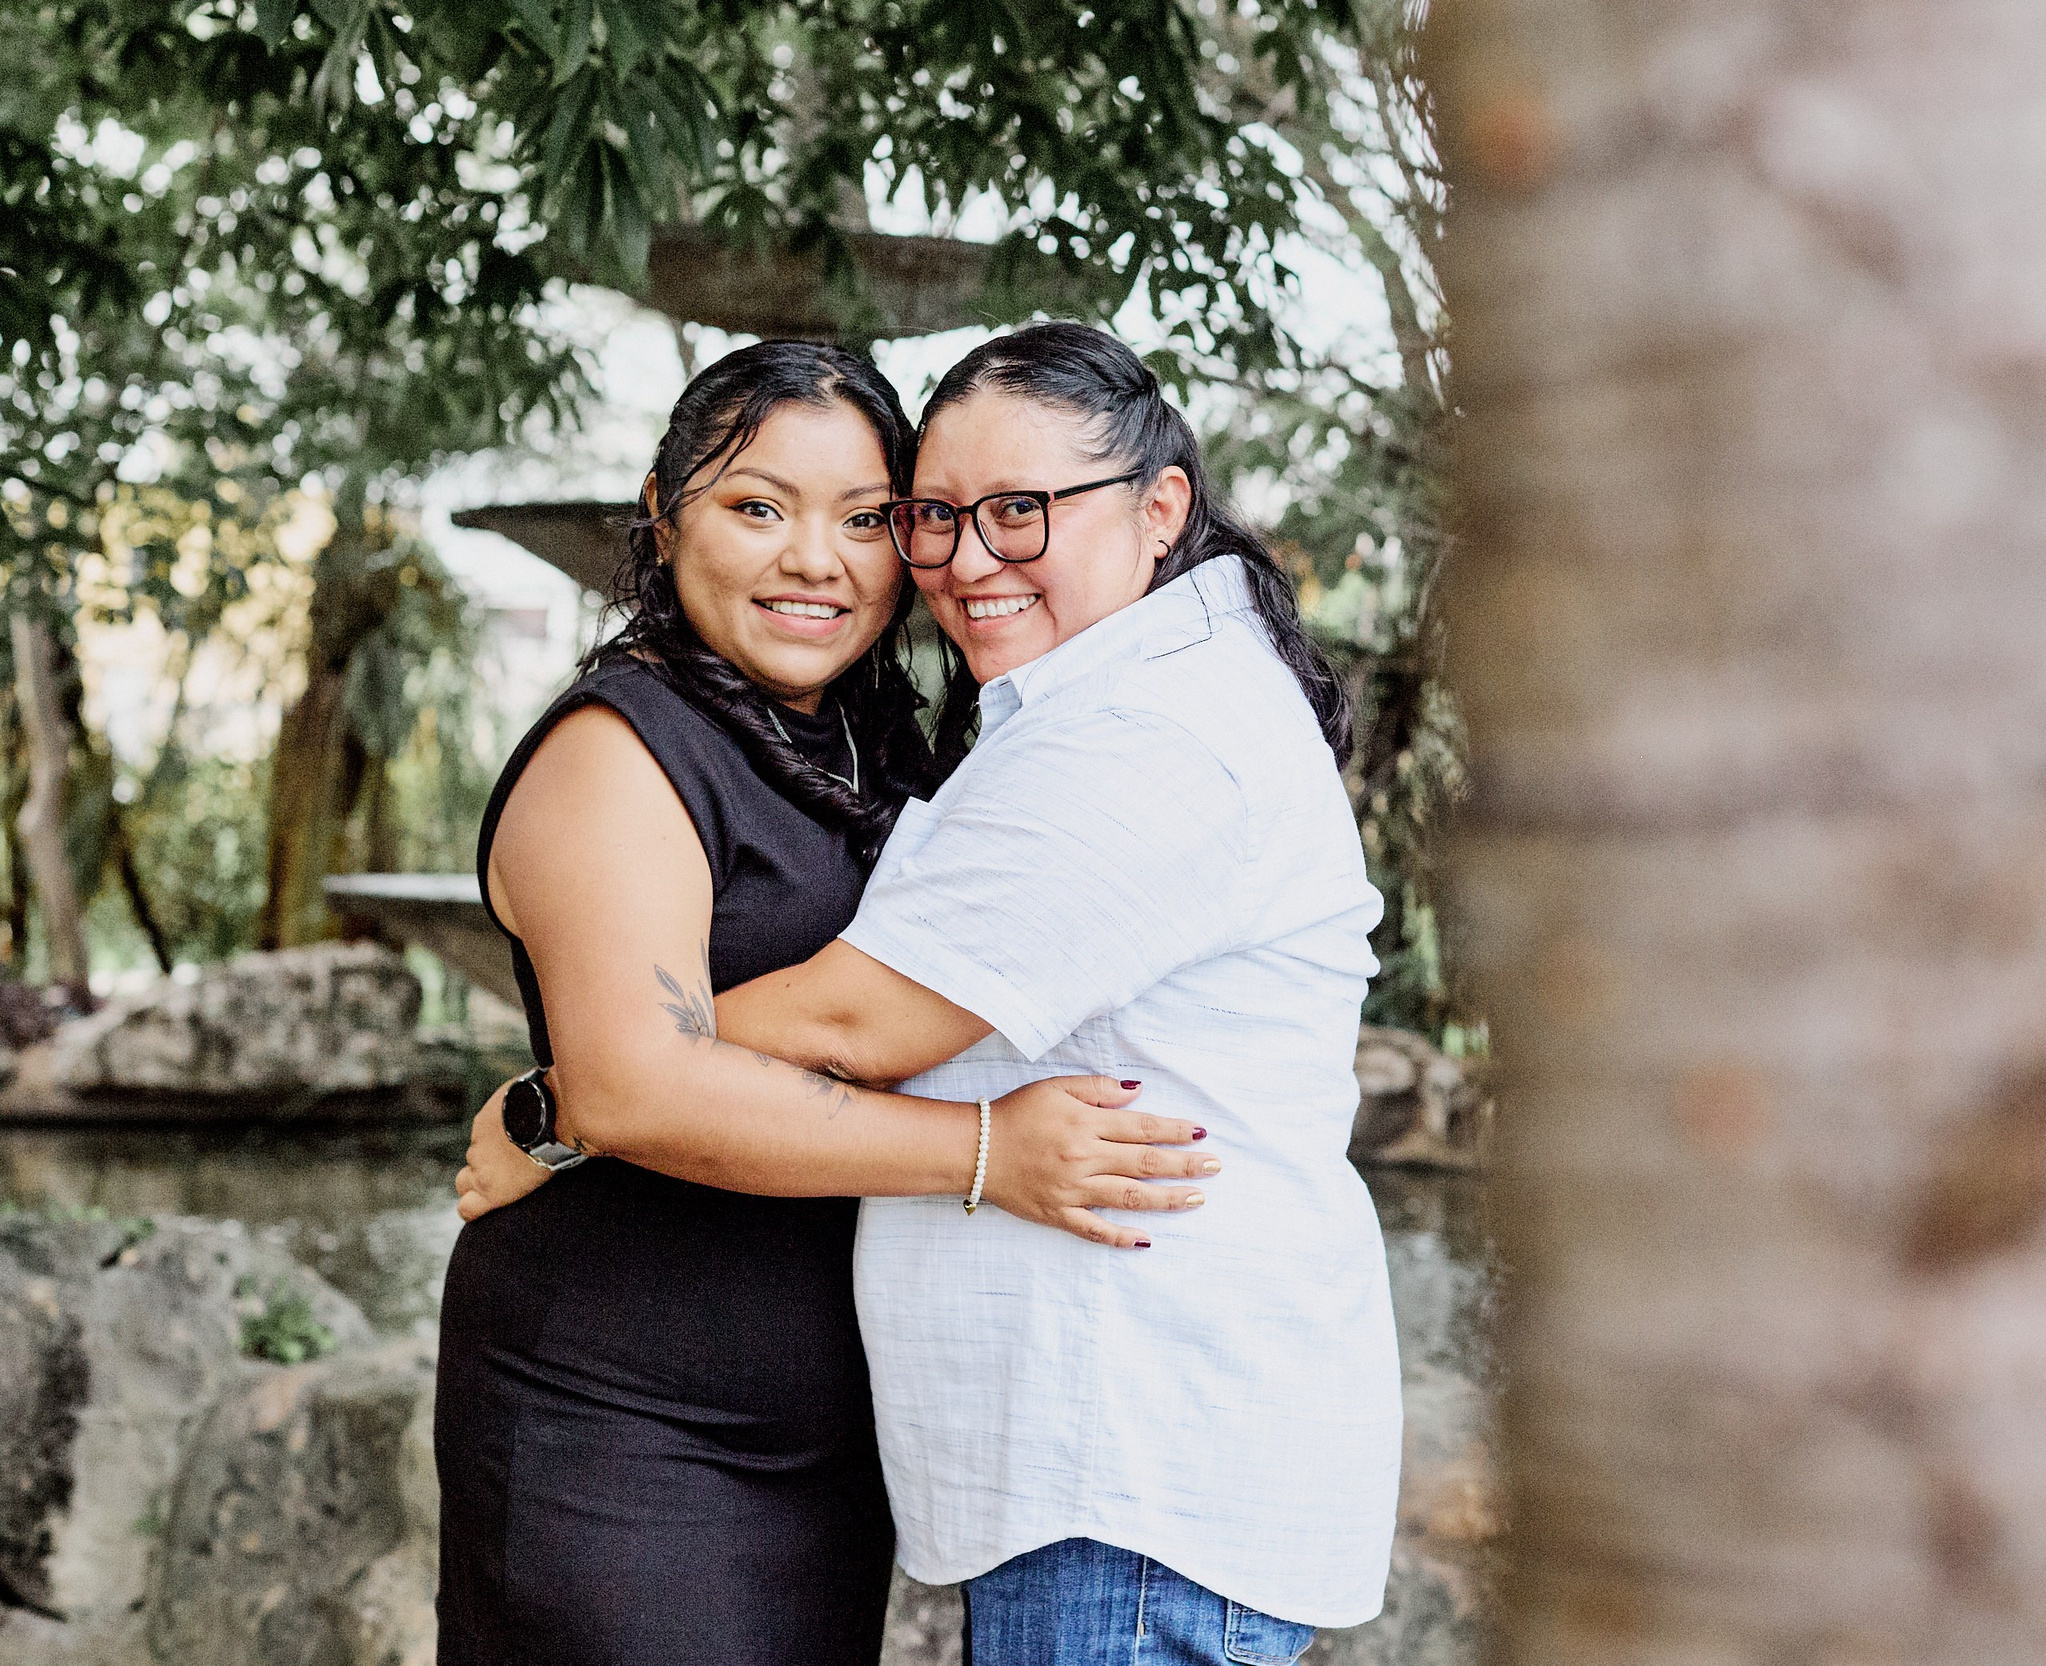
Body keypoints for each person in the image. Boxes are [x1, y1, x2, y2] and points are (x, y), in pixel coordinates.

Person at [460, 321, 1402, 1664]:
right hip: (633, 1415)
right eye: (936, 517)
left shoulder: (1075, 732)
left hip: (1016, 1465)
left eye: (866, 516)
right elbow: (739, 1053)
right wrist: (974, 1150)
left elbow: (843, 1024)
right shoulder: (629, 746)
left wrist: (562, 1096)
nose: (951, 557)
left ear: (1160, 510)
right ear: (662, 520)